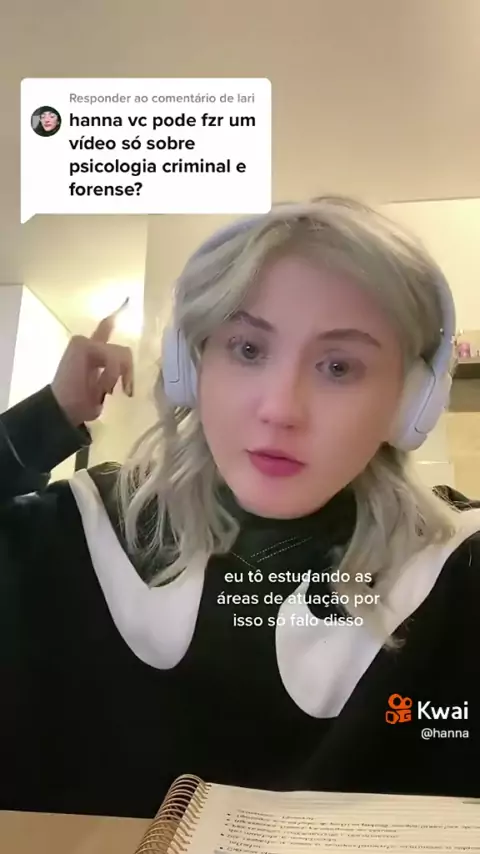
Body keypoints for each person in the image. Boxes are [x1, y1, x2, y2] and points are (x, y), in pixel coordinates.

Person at [1, 196, 479, 821]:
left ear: (409, 401)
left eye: (339, 366)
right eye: (248, 349)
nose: (280, 409)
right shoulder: (80, 530)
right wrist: (45, 419)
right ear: (192, 368)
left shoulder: (457, 569)